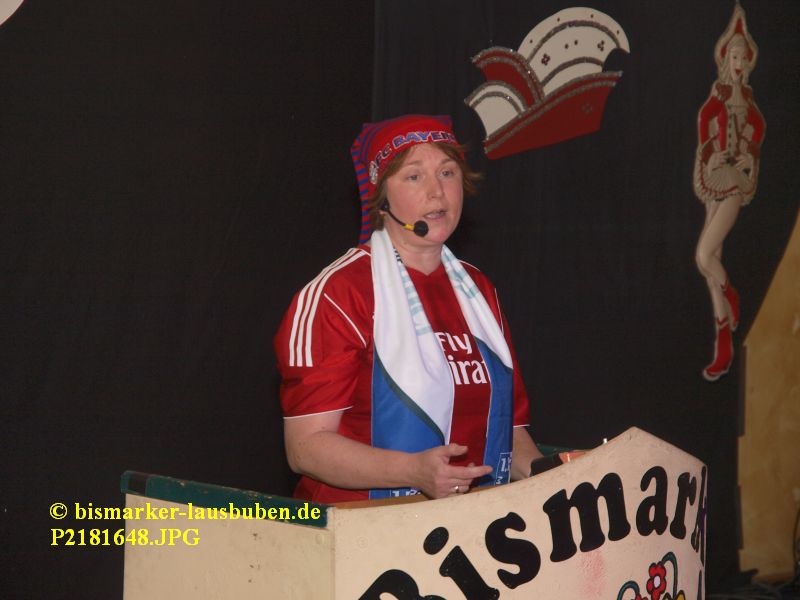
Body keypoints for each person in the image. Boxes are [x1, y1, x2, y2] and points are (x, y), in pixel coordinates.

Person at [273, 114, 544, 503]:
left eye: (447, 173)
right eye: (414, 177)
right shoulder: (338, 293)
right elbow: (305, 448)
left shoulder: (478, 290)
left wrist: (559, 475)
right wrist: (412, 471)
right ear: (381, 198)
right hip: (358, 528)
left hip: (469, 523)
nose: (437, 192)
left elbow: (509, 433)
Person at [693, 5, 764, 382]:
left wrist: (748, 156)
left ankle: (730, 293)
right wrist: (709, 152)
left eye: (742, 58)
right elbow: (705, 123)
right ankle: (724, 345)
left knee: (704, 255)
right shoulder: (719, 96)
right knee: (710, 264)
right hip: (714, 178)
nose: (738, 63)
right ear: (726, 60)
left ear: (747, 62)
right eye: (733, 57)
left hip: (734, 180)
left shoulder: (747, 103)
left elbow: (757, 132)